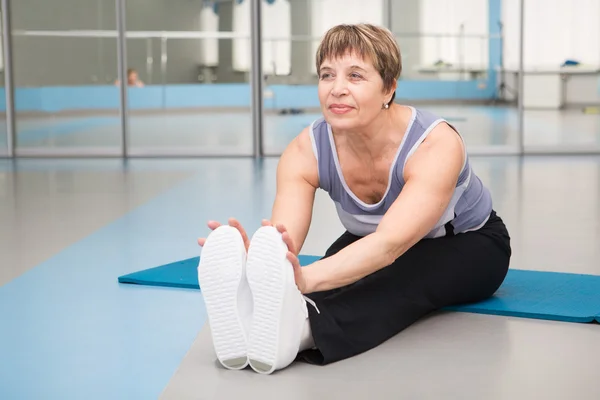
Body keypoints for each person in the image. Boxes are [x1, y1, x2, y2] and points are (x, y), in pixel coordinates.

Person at [197, 23, 511, 375]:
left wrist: (301, 280)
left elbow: (389, 246)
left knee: (398, 277)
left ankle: (300, 333)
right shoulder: (305, 151)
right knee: (334, 272)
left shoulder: (434, 144)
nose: (337, 90)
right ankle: (250, 321)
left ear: (389, 88)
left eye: (356, 76)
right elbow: (288, 240)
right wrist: (261, 257)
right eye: (327, 75)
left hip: (470, 245)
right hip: (374, 240)